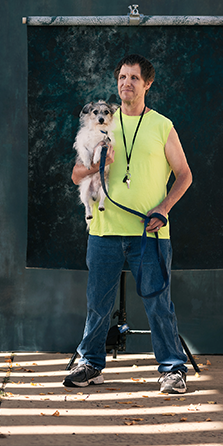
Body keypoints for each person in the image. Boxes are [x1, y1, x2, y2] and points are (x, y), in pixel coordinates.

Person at [66, 53, 195, 394]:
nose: (126, 83)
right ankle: (91, 364)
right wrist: (96, 167)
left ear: (148, 83)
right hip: (105, 231)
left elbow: (184, 175)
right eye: (122, 77)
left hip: (148, 232)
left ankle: (172, 369)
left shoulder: (162, 126)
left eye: (134, 78)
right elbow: (77, 174)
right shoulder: (101, 123)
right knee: (98, 303)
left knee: (158, 302)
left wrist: (164, 208)